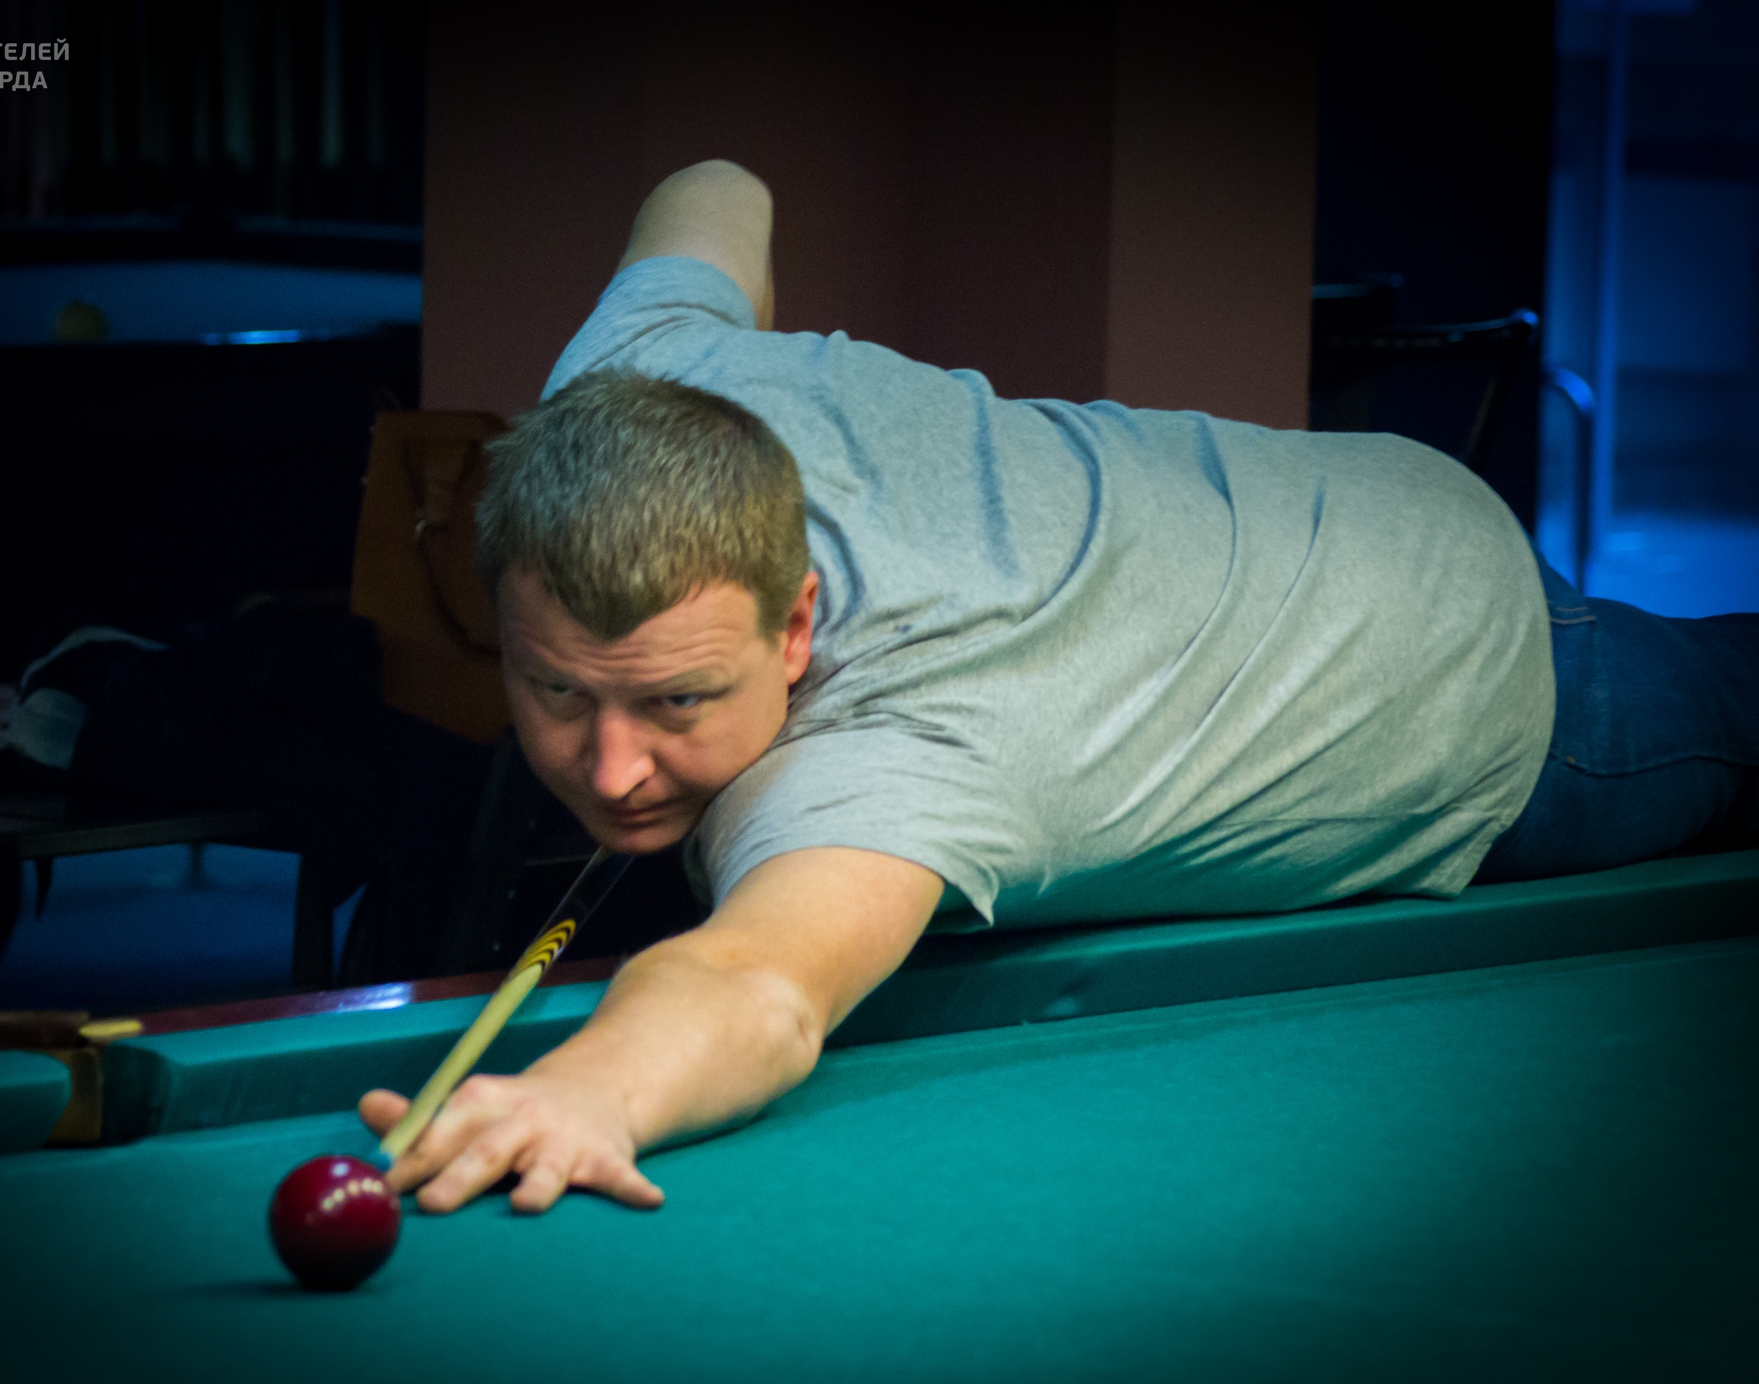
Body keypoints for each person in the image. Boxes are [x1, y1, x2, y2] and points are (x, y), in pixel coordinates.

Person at [358, 160, 1759, 1215]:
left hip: (1473, 673)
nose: (611, 771)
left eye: (676, 703)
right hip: (1340, 495)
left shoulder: (878, 764)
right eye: (559, 694)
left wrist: (590, 1093)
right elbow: (716, 187)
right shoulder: (636, 385)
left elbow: (759, 987)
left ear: (797, 627)